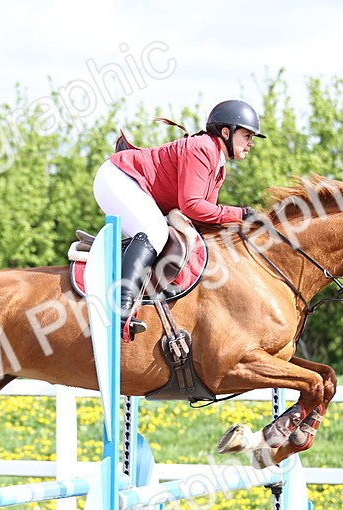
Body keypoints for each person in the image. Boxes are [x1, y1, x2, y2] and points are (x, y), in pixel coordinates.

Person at [93, 99, 265, 339]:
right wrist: (241, 214)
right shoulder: (203, 147)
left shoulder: (218, 165)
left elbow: (206, 216)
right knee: (155, 232)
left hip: (133, 185)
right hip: (117, 178)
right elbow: (192, 205)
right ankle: (120, 307)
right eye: (247, 136)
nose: (251, 144)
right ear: (227, 132)